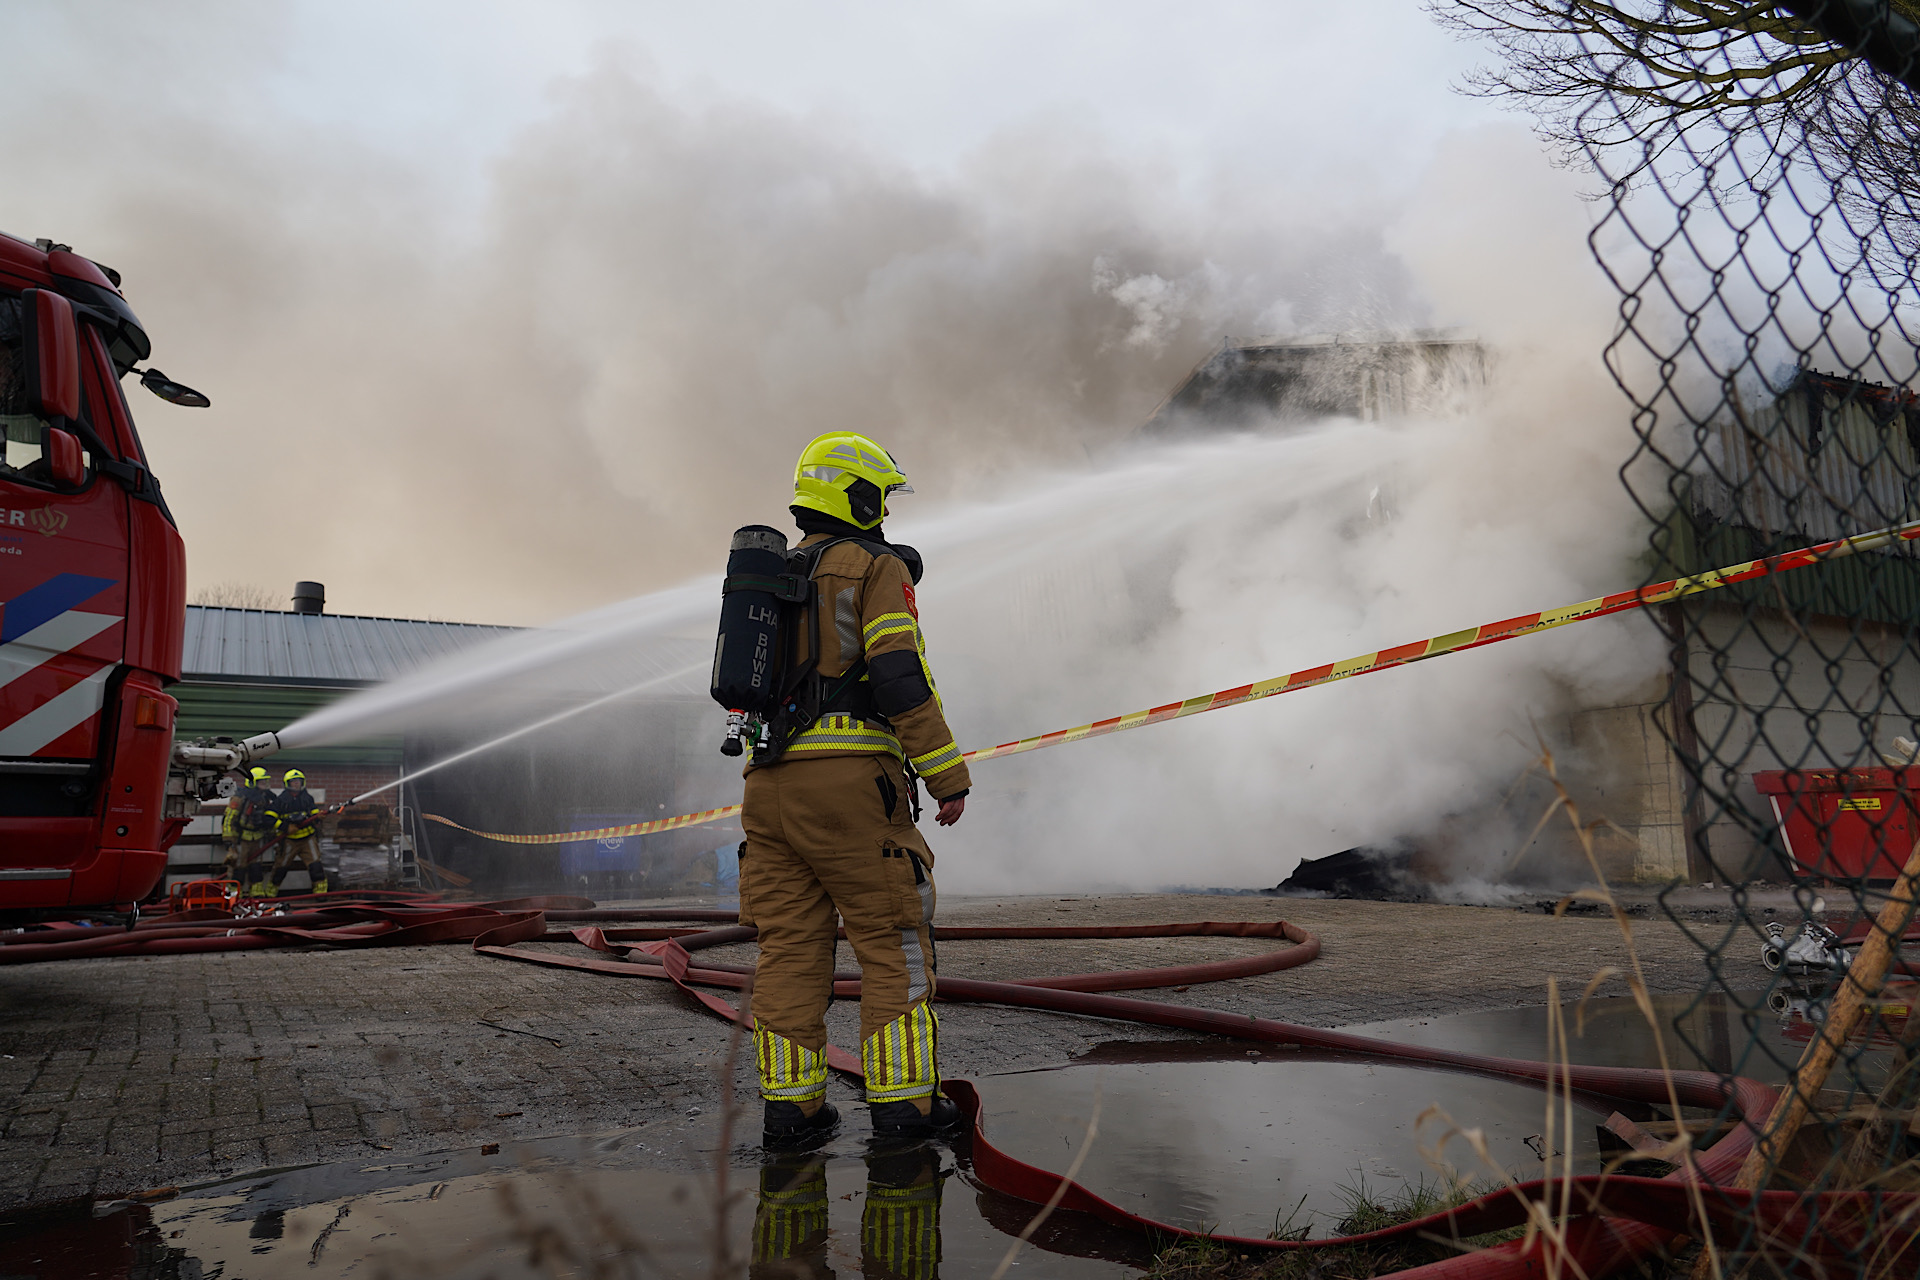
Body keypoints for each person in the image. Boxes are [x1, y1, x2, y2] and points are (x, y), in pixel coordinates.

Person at [741, 432, 972, 1149]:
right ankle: (904, 1108)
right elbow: (899, 675)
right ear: (860, 496)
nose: (887, 517)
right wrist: (945, 774)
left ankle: (794, 1111)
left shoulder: (771, 577)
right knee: (893, 941)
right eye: (883, 499)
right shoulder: (873, 568)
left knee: (789, 950)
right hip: (850, 790)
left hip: (767, 788)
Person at [265, 769, 329, 896]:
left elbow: (313, 812)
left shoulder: (307, 798)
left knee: (316, 866)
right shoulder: (280, 801)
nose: (296, 784)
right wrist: (285, 827)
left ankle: (321, 894)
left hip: (307, 838)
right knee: (280, 868)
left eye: (299, 781)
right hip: (289, 840)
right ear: (287, 783)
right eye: (293, 782)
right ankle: (270, 894)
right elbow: (268, 818)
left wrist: (318, 816)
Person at [226, 767, 279, 895]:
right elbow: (229, 818)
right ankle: (234, 894)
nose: (265, 785)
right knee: (239, 867)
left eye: (266, 782)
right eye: (262, 782)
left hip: (258, 837)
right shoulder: (240, 798)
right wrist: (229, 840)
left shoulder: (265, 798)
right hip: (241, 839)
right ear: (252, 782)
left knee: (256, 867)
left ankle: (256, 893)